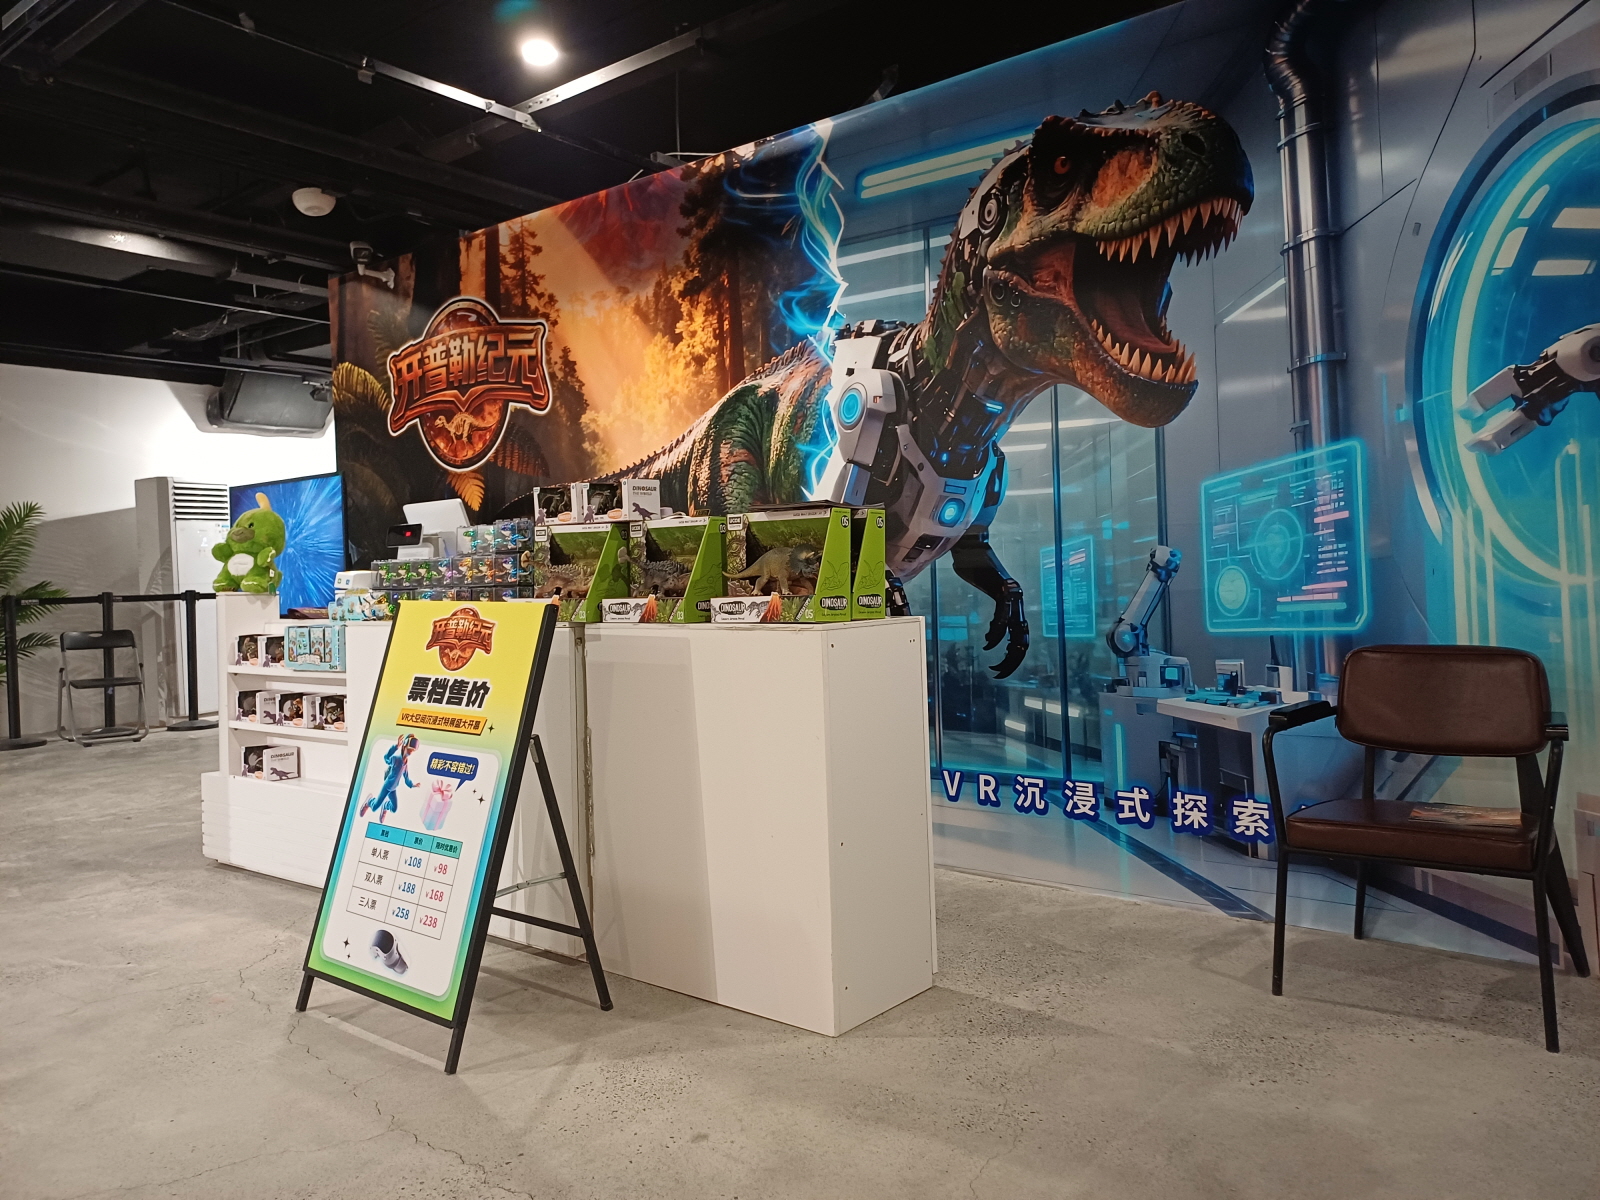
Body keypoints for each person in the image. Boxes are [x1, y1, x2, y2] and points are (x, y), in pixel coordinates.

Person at [359, 733, 418, 824]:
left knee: (394, 809)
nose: (412, 751)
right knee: (374, 808)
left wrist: (412, 785)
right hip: (387, 787)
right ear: (405, 745)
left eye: (413, 749)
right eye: (410, 748)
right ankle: (369, 801)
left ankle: (385, 806)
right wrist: (396, 746)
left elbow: (406, 778)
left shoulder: (406, 763)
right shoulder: (396, 759)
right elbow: (386, 758)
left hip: (393, 789)